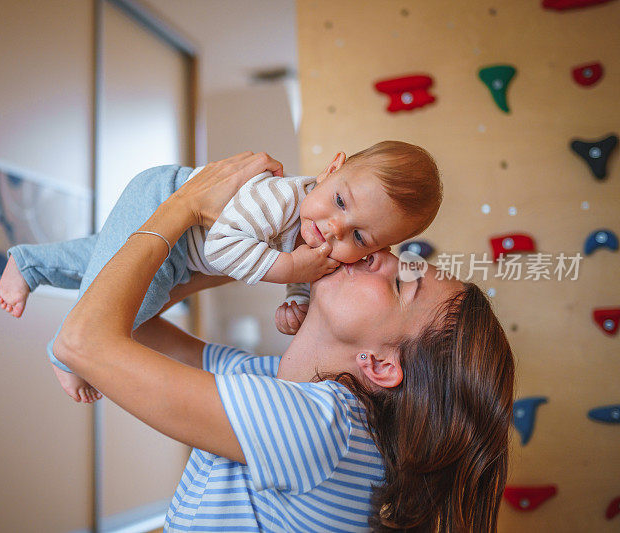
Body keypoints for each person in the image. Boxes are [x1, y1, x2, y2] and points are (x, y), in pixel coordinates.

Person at [51, 153, 516, 531]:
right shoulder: (293, 390)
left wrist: (181, 207)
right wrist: (237, 258)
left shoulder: (320, 430)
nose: (378, 256)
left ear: (379, 365)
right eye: (399, 257)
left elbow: (82, 341)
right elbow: (131, 326)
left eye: (401, 285)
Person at [0, 141, 443, 403]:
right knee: (134, 295)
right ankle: (64, 351)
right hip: (163, 203)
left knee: (100, 258)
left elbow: (299, 264)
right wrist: (287, 267)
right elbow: (223, 245)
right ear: (331, 169)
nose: (333, 229)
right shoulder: (281, 198)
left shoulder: (317, 232)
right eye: (341, 202)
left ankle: (29, 263)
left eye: (360, 238)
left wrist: (296, 298)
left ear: (378, 247)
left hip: (178, 246)